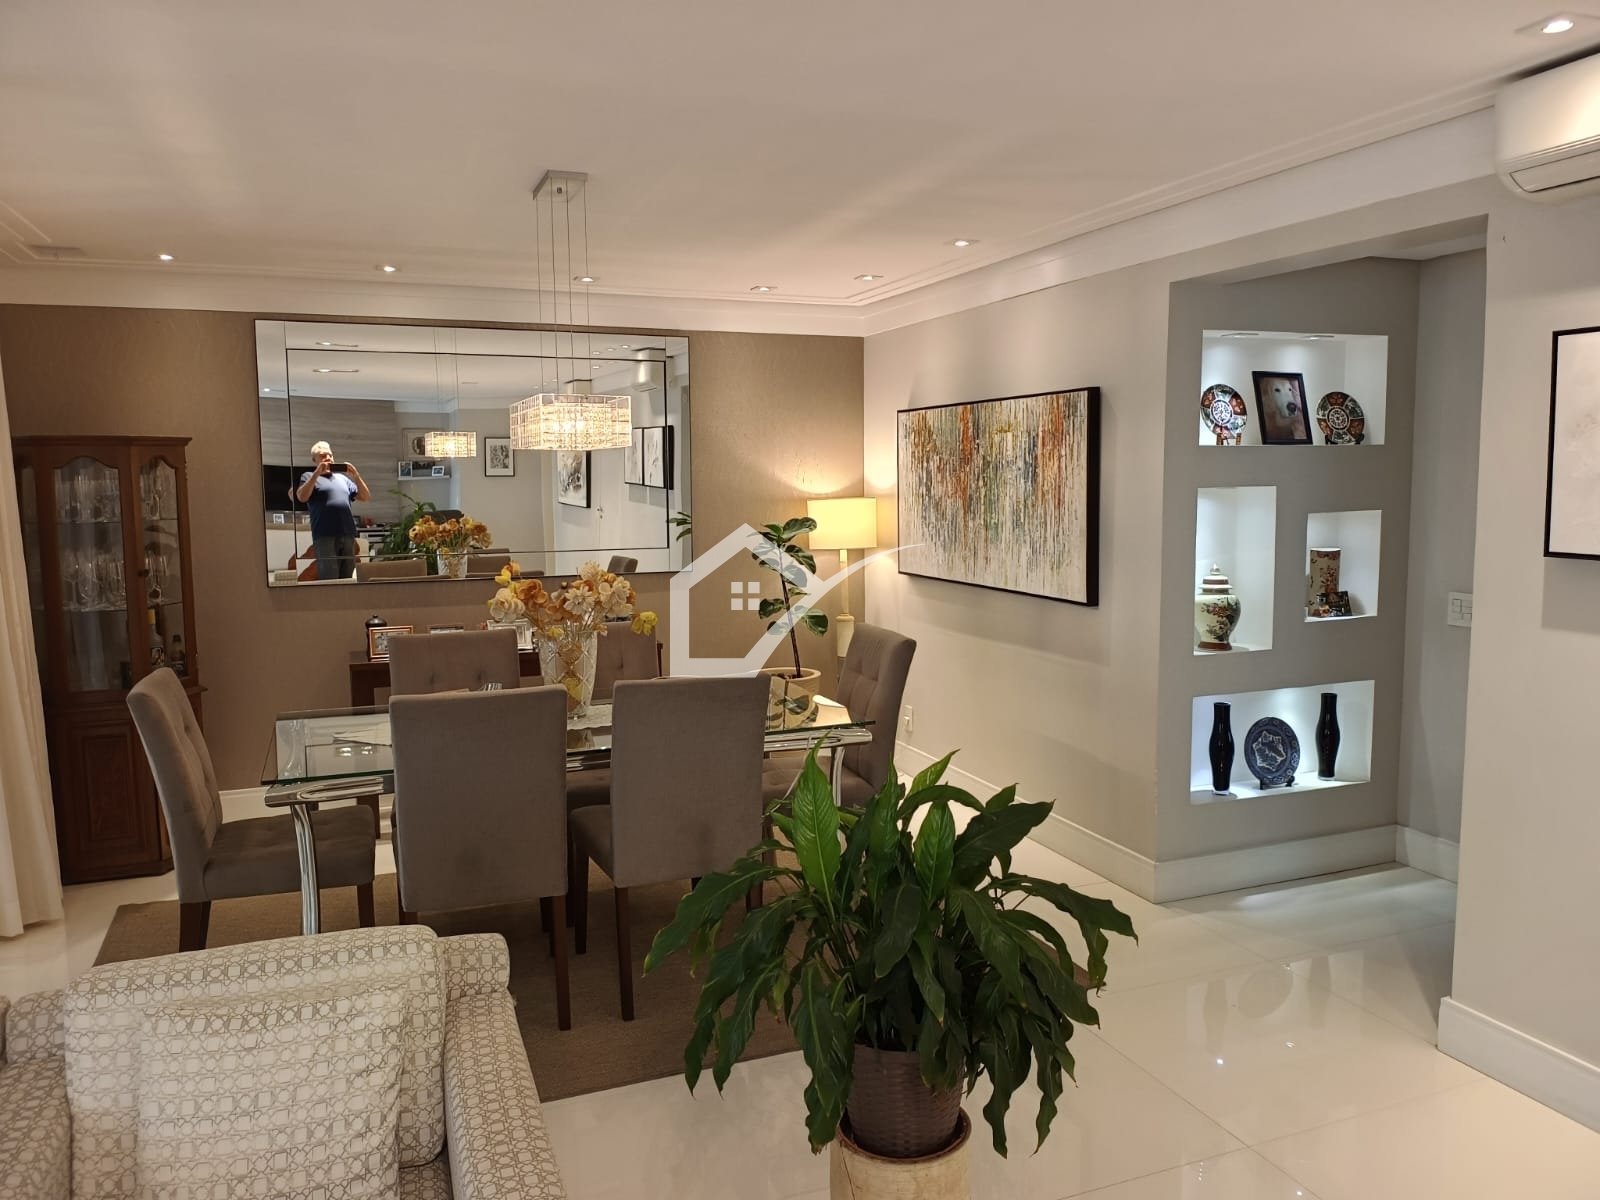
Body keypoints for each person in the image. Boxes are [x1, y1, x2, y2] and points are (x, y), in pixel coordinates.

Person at [294, 441, 370, 580]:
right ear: (315, 460)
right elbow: (301, 497)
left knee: (348, 578)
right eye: (323, 455)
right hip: (324, 535)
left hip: (348, 535)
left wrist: (356, 475)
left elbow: (365, 497)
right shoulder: (308, 476)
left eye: (330, 455)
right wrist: (317, 474)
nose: (328, 458)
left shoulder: (343, 479)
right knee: (330, 579)